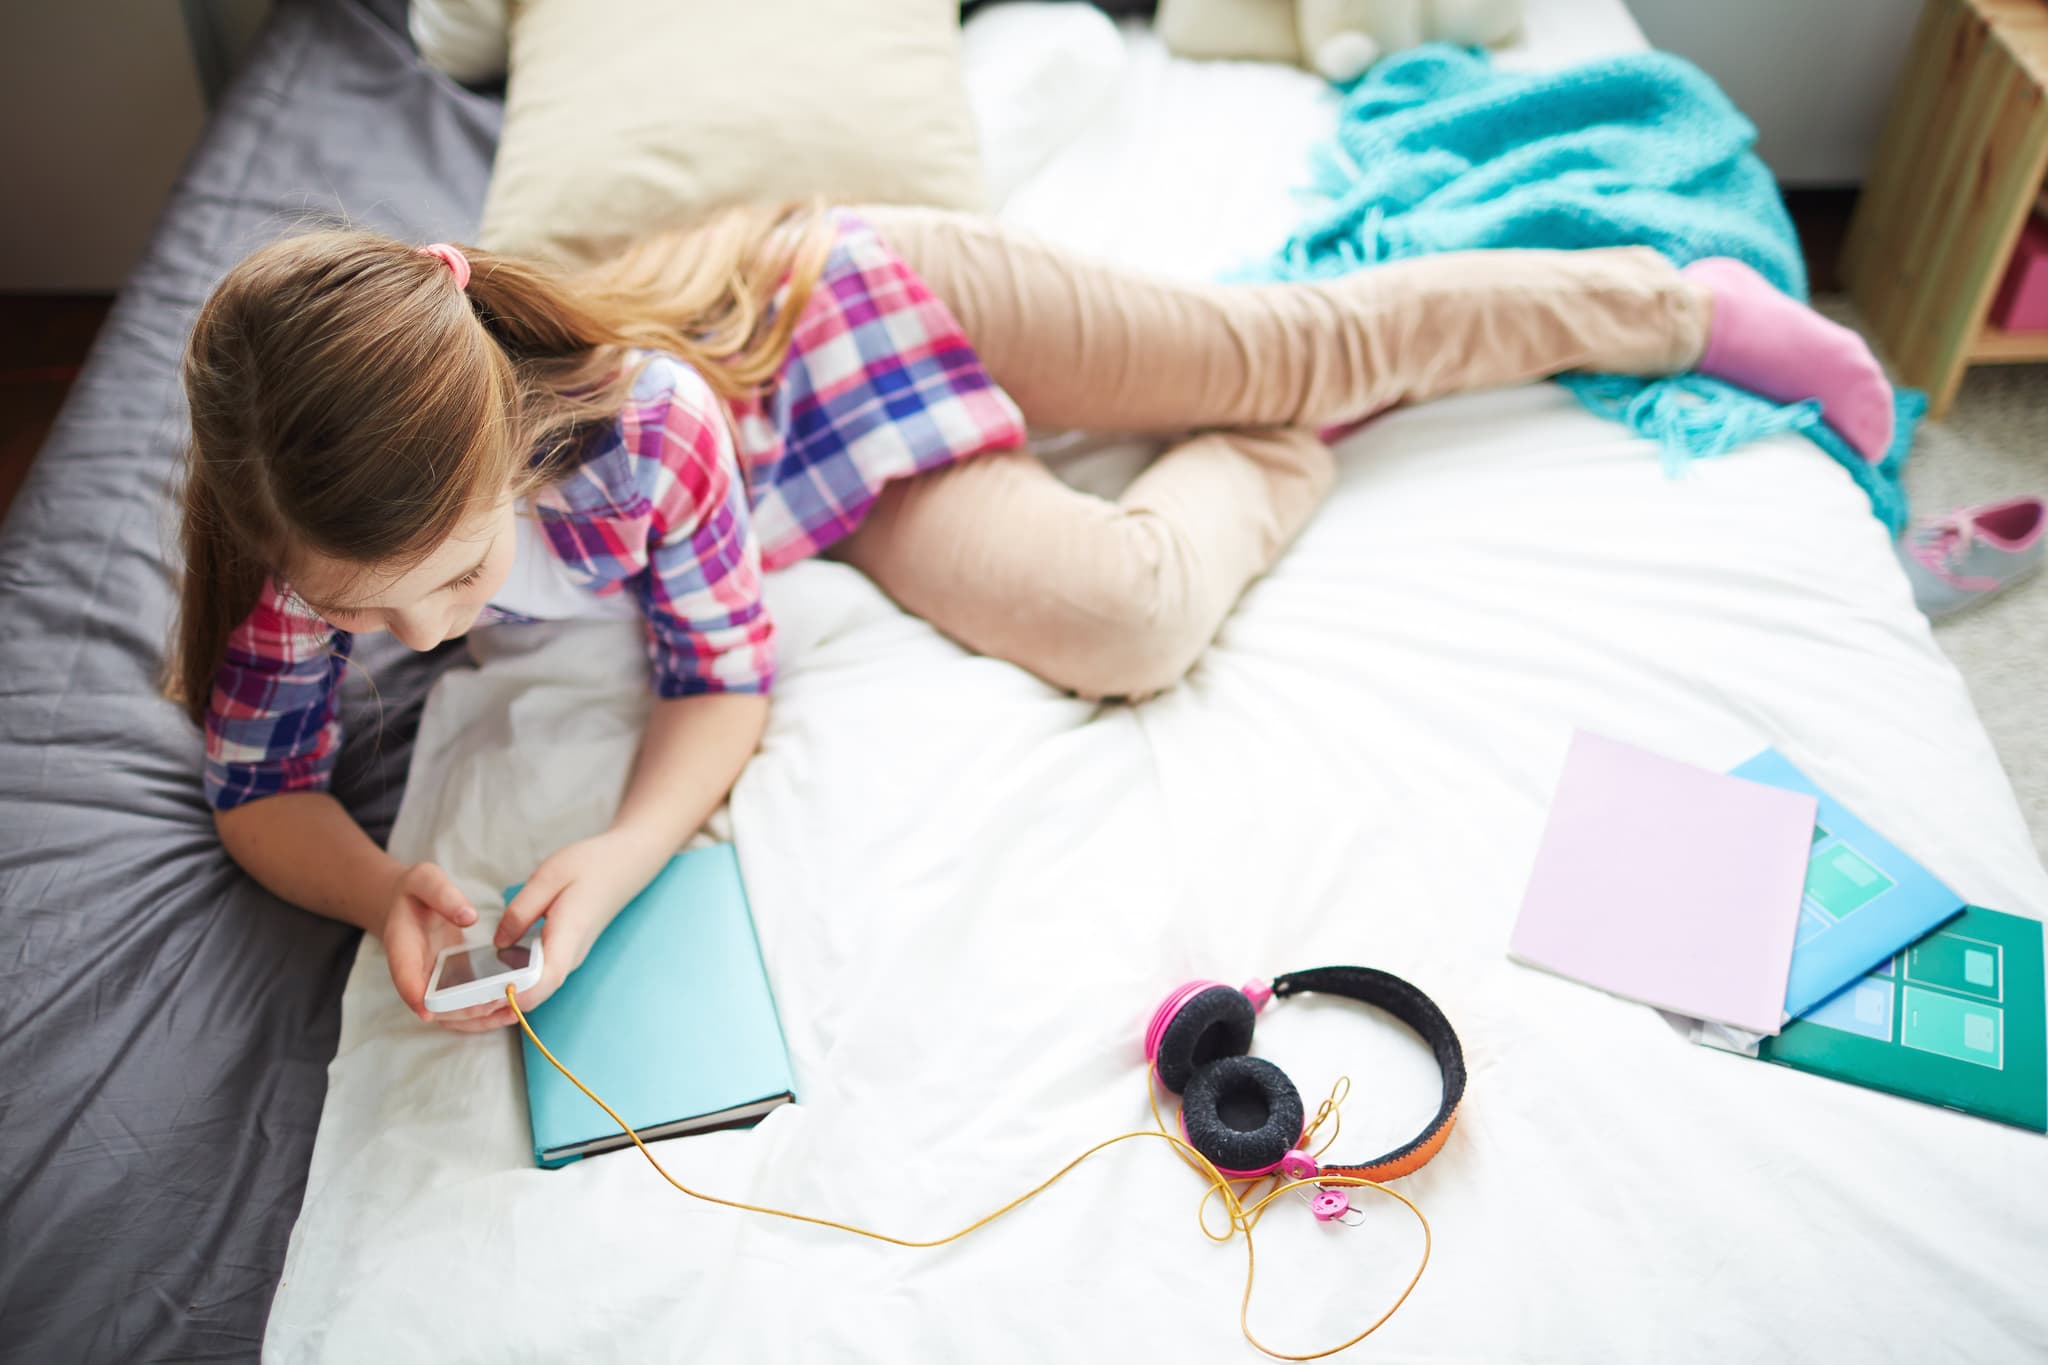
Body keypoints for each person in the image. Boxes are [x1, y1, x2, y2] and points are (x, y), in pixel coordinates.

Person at [169, 202, 1894, 1029]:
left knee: (1286, 341)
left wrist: (614, 858)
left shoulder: (637, 430)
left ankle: (1675, 307)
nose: (407, 639)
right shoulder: (293, 530)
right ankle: (1286, 455)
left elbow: (720, 677)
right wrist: (387, 882)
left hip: (839, 295)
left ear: (515, 446)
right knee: (1128, 618)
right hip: (829, 469)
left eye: (455, 585)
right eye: (361, 616)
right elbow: (261, 786)